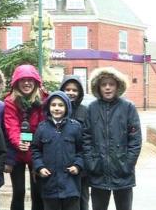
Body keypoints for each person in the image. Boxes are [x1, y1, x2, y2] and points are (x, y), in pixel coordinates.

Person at [83, 67, 142, 210]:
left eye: (111, 84)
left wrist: (128, 164)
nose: (108, 88)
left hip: (122, 172)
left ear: (118, 86)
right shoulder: (91, 108)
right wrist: (92, 163)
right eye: (104, 84)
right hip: (99, 171)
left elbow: (135, 139)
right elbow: (86, 138)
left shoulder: (128, 107)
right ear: (98, 87)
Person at [4, 64, 48, 210]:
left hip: (36, 151)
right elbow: (12, 125)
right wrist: (18, 142)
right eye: (23, 80)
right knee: (19, 191)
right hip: (17, 152)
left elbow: (43, 126)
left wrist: (36, 146)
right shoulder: (10, 102)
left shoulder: (43, 100)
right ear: (17, 82)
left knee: (38, 192)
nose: (27, 83)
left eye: (30, 79)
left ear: (36, 82)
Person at [31, 91, 84, 210]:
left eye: (61, 105)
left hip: (71, 185)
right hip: (50, 185)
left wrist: (78, 165)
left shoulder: (75, 127)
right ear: (48, 107)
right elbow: (35, 150)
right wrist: (40, 167)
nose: (57, 108)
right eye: (53, 105)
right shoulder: (42, 127)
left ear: (67, 107)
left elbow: (81, 150)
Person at [59, 75, 89, 210]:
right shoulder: (57, 109)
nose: (71, 92)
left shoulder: (85, 111)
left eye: (74, 90)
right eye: (67, 89)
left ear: (80, 92)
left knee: (82, 199)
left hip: (80, 163)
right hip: (61, 163)